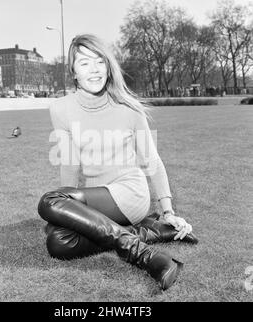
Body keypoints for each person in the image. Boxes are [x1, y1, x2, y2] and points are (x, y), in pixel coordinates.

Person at [38, 34, 198, 291]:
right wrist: (67, 212)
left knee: (49, 201)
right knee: (58, 242)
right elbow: (68, 163)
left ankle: (149, 258)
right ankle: (151, 232)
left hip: (129, 193)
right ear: (73, 72)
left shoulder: (128, 108)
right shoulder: (60, 109)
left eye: (100, 62)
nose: (94, 70)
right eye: (85, 63)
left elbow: (152, 161)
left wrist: (167, 211)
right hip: (99, 198)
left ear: (108, 66)